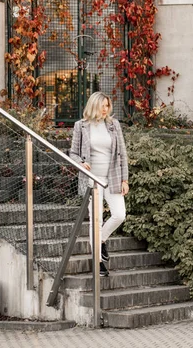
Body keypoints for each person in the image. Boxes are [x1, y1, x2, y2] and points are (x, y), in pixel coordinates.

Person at [69, 92, 129, 277]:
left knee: (119, 215)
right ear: (94, 106)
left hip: (112, 178)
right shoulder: (81, 126)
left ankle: (101, 240)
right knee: (96, 219)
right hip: (92, 179)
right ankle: (98, 262)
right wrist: (80, 163)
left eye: (107, 106)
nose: (106, 109)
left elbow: (123, 154)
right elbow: (72, 153)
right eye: (103, 106)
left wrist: (125, 179)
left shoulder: (113, 125)